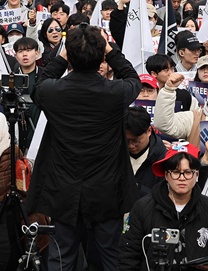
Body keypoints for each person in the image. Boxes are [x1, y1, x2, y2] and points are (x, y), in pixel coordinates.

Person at [28, 24, 141, 270]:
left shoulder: (52, 91)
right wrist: (110, 50)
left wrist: (63, 55)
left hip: (63, 188)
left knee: (62, 258)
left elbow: (39, 83)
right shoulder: (116, 92)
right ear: (101, 57)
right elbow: (133, 78)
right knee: (111, 256)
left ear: (68, 56)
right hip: (106, 189)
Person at [119, 142, 208, 270]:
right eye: (175, 172)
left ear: (197, 175)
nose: (182, 178)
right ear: (166, 175)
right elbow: (127, 255)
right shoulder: (143, 207)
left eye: (188, 172)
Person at [124, 106, 168, 197]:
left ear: (149, 131)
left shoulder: (164, 159)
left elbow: (166, 198)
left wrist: (138, 189)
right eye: (126, 141)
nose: (131, 146)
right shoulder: (113, 153)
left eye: (136, 141)